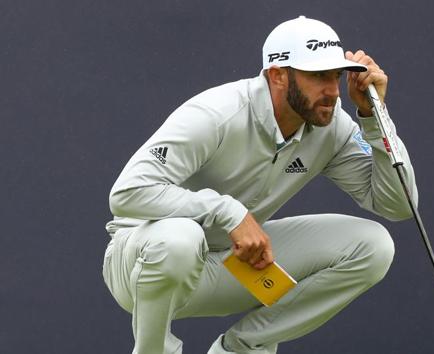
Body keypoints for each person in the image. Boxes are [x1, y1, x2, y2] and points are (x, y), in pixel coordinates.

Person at [102, 15, 418, 354]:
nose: (331, 91)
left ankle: (242, 348)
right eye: (317, 76)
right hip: (142, 267)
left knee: (372, 246)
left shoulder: (332, 126)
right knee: (180, 238)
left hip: (233, 264)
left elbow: (397, 206)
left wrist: (375, 117)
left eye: (336, 76)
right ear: (277, 75)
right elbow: (127, 192)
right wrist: (229, 212)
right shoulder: (217, 113)